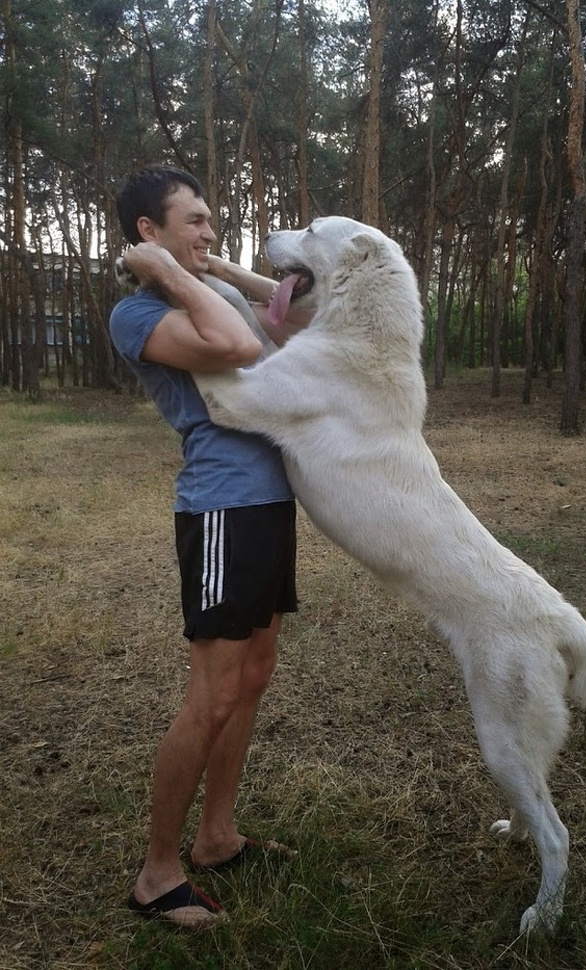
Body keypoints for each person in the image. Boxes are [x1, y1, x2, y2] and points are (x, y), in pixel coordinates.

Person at [109, 164, 310, 929]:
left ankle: (216, 837)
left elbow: (293, 320)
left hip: (268, 500)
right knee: (215, 692)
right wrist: (165, 270)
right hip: (222, 507)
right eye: (194, 221)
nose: (211, 230)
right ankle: (157, 875)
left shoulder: (213, 287)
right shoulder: (136, 315)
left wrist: (220, 267)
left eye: (212, 220)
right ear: (147, 233)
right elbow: (238, 346)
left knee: (254, 674)